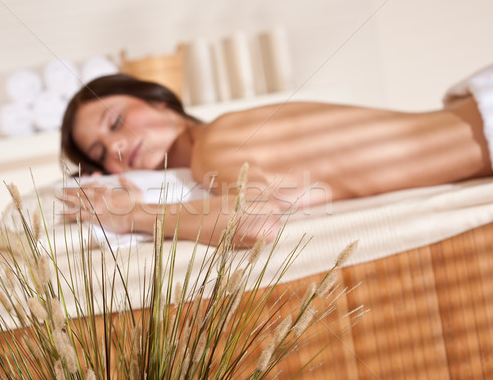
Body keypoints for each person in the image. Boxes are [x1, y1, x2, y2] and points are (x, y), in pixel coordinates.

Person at [61, 72, 493, 248]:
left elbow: (254, 221)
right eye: (100, 152)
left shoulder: (216, 140)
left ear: (158, 101)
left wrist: (134, 214)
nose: (116, 146)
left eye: (115, 121)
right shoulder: (216, 153)